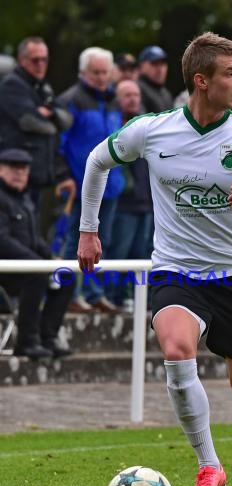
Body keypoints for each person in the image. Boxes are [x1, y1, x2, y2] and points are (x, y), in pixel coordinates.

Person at [77, 32, 232, 486]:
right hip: (177, 269)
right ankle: (208, 465)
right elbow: (97, 160)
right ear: (201, 80)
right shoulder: (153, 130)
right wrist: (89, 231)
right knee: (176, 351)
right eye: (231, 74)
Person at [56, 47, 124, 313]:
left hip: (111, 184)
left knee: (102, 240)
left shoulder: (114, 100)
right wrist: (64, 177)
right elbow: (58, 145)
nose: (100, 77)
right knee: (75, 241)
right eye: (95, 72)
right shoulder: (70, 100)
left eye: (104, 72)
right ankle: (70, 294)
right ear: (83, 73)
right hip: (79, 184)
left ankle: (95, 294)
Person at [0, 148, 73, 359]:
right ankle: (26, 342)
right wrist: (38, 263)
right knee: (37, 276)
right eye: (13, 169)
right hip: (7, 268)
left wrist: (50, 259)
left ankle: (46, 339)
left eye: (23, 169)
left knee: (66, 277)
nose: (19, 173)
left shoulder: (24, 199)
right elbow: (2, 241)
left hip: (27, 265)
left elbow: (34, 238)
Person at [0, 37, 74, 236]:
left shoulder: (43, 86)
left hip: (38, 174)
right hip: (17, 175)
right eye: (35, 60)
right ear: (21, 60)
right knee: (19, 230)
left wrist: (48, 115)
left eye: (44, 60)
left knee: (34, 229)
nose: (41, 65)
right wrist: (52, 119)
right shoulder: (12, 85)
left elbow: (67, 120)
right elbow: (30, 122)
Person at [108, 79, 153, 308]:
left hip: (147, 202)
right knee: (119, 253)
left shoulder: (148, 125)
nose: (133, 99)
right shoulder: (113, 125)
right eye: (127, 95)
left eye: (136, 94)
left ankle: (139, 298)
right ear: (117, 98)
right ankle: (116, 297)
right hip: (124, 202)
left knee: (143, 255)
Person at [137, 45, 174, 113]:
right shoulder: (137, 90)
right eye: (154, 63)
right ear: (141, 67)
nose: (160, 69)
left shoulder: (166, 93)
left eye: (163, 64)